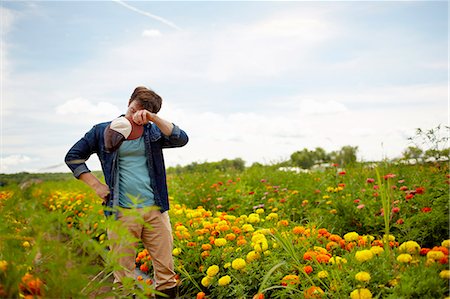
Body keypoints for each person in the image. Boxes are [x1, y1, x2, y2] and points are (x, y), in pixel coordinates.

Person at [65, 86, 188, 298]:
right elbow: (73, 157)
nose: (134, 116)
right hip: (121, 212)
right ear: (128, 104)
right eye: (132, 110)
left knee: (166, 274)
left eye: (141, 114)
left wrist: (153, 119)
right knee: (123, 277)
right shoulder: (102, 131)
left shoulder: (154, 132)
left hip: (155, 210)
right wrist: (96, 185)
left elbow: (181, 138)